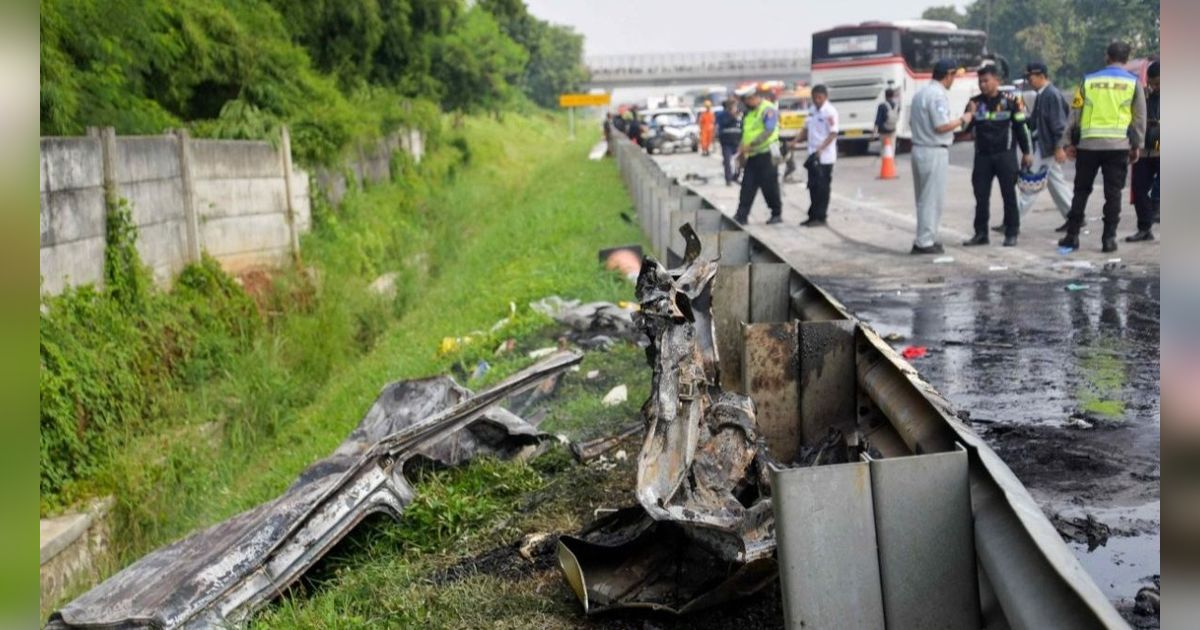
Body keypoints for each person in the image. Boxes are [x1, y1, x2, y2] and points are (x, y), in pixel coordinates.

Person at [1058, 41, 1147, 253]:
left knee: (1081, 191)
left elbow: (1075, 113)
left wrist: (1068, 142)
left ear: (1107, 56)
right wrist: (1137, 146)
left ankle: (1072, 237)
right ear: (1126, 59)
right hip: (1118, 146)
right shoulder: (1134, 83)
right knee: (1113, 194)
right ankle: (1108, 240)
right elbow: (1139, 118)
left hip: (1088, 145)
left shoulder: (1088, 81)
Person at [962, 65, 1033, 247]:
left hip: (1005, 155)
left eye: (986, 81)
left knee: (1009, 196)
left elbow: (1020, 127)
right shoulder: (975, 102)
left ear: (997, 81)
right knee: (981, 197)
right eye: (980, 82)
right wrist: (969, 113)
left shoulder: (1011, 101)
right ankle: (981, 233)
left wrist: (1026, 152)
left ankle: (1011, 232)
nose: (983, 85)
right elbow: (965, 129)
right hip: (983, 156)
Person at [908, 60, 974, 254]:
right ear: (948, 75)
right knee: (931, 199)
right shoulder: (937, 96)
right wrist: (964, 119)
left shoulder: (920, 94)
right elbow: (941, 126)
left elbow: (913, 123)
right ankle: (925, 241)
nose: (953, 80)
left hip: (919, 148)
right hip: (933, 150)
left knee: (923, 198)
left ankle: (924, 237)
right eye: (953, 76)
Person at [1013, 62, 1073, 232]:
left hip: (1047, 147)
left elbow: (1059, 125)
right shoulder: (1043, 94)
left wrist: (1059, 147)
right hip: (1045, 145)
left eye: (1030, 77)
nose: (1028, 81)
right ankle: (1074, 216)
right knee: (1056, 183)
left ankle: (1013, 219)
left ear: (1041, 76)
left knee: (1031, 183)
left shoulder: (1051, 95)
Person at [733, 84, 783, 225]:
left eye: (746, 100)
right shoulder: (749, 113)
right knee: (747, 185)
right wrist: (741, 150)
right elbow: (746, 134)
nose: (745, 104)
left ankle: (776, 213)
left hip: (768, 153)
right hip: (753, 155)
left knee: (770, 186)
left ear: (753, 97)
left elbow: (768, 131)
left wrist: (751, 144)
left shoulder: (768, 109)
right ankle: (741, 216)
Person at [790, 84, 838, 226]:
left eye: (820, 97)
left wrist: (821, 149)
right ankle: (812, 215)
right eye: (815, 97)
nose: (817, 100)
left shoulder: (830, 112)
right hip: (812, 155)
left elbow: (833, 133)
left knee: (822, 188)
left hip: (825, 157)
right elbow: (806, 130)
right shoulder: (812, 111)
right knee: (812, 186)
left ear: (825, 97)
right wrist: (795, 141)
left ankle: (821, 217)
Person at [1127, 60, 1159, 242]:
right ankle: (1144, 228)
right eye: (1154, 83)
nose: (1157, 87)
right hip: (1144, 148)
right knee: (1139, 189)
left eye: (1160, 83)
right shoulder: (1142, 96)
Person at [716, 98, 743, 186]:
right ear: (728, 107)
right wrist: (732, 116)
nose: (735, 108)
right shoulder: (722, 115)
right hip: (726, 142)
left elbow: (742, 126)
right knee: (727, 161)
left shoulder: (739, 115)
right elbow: (723, 123)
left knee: (739, 161)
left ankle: (736, 176)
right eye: (734, 106)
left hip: (737, 141)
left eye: (736, 106)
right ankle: (728, 179)